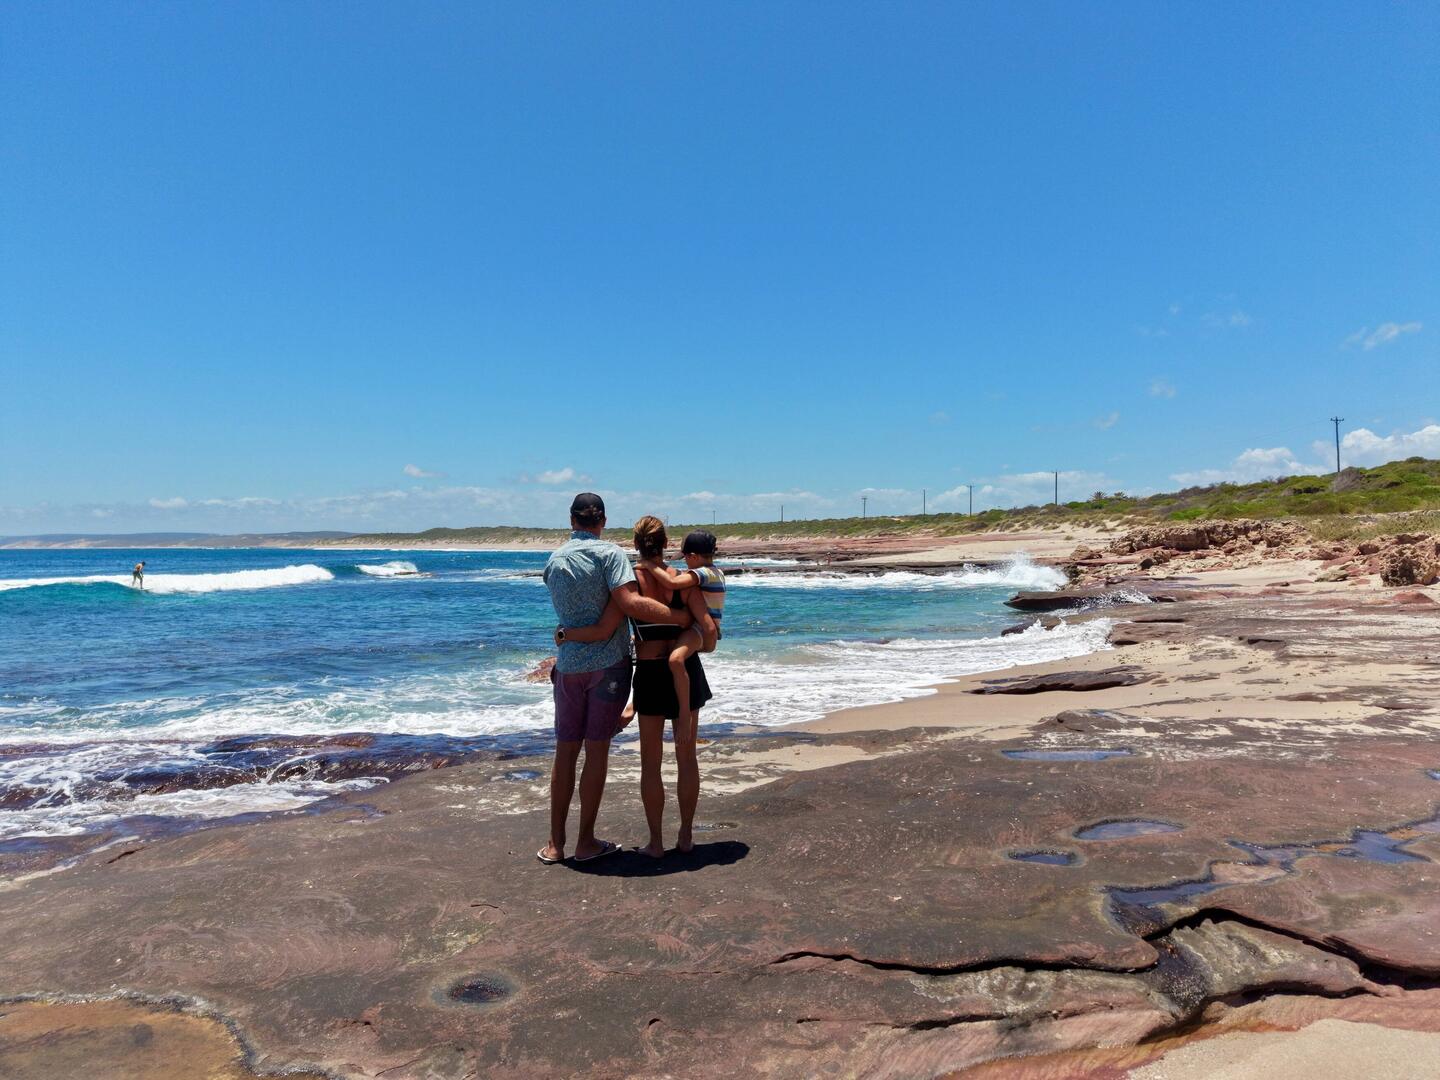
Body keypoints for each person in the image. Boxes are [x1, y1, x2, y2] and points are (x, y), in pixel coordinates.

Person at [538, 493, 690, 866]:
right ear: (603, 520)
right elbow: (629, 603)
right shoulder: (610, 555)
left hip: (568, 666)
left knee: (565, 751)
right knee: (596, 751)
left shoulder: (554, 560)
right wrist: (681, 619)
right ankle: (585, 842)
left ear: (571, 520)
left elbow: (568, 613)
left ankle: (555, 844)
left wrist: (568, 634)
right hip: (607, 666)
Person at [561, 519, 720, 857]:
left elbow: (606, 627)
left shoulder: (629, 582)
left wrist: (567, 635)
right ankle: (686, 836)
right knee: (687, 758)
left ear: (636, 544)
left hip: (649, 674)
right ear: (666, 543)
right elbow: (708, 630)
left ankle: (656, 843)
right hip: (685, 670)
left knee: (650, 764)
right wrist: (699, 643)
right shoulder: (681, 580)